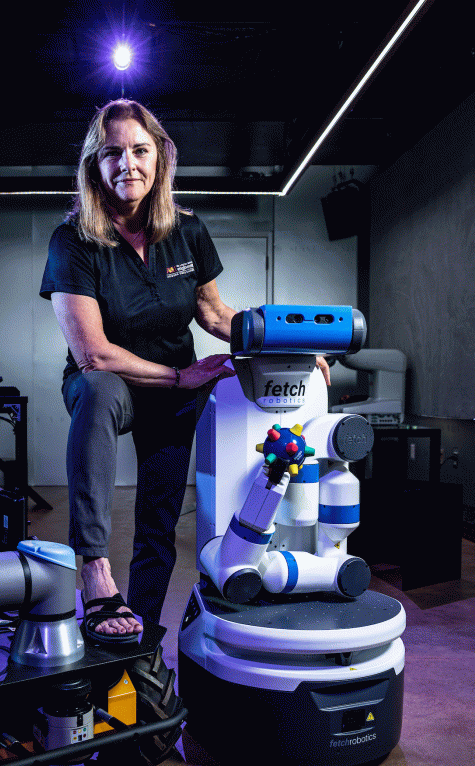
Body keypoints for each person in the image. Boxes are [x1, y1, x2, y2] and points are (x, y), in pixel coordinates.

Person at [40, 98, 331, 645]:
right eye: (113, 154)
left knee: (159, 520)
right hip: (117, 383)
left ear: (160, 159)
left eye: (140, 150)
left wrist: (289, 344)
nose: (128, 164)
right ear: (95, 167)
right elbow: (94, 354)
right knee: (100, 389)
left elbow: (216, 315)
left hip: (175, 387)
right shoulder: (73, 241)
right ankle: (95, 570)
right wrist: (179, 377)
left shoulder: (187, 231)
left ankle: (140, 636)